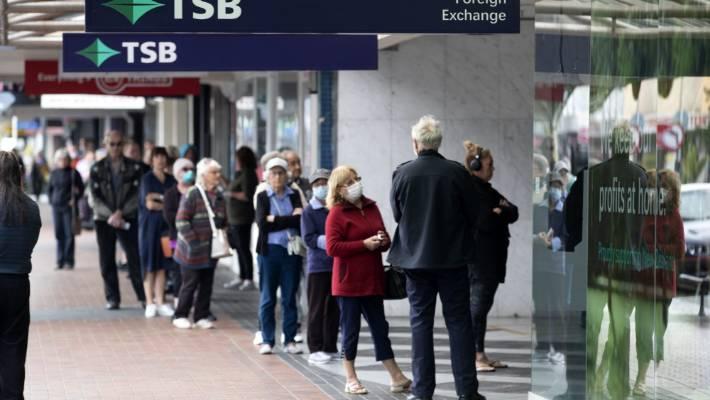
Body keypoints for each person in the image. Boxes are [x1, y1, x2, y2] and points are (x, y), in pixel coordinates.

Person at [389, 115, 485, 400]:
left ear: (415, 143)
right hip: (453, 261)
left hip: (415, 263)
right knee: (459, 324)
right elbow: (474, 214)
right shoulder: (457, 173)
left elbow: (397, 214)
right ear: (438, 142)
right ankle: (467, 391)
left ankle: (422, 392)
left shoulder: (402, 173)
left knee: (420, 324)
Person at [325, 165, 411, 394]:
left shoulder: (371, 206)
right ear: (339, 189)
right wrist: (363, 244)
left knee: (380, 328)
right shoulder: (336, 213)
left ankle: (396, 376)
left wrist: (382, 240)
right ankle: (350, 378)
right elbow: (332, 248)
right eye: (350, 182)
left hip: (372, 280)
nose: (356, 184)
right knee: (350, 330)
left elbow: (385, 237)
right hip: (348, 284)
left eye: (357, 179)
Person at [463, 141, 518, 372]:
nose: (492, 168)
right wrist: (498, 212)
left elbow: (514, 211)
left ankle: (480, 353)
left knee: (482, 308)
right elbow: (484, 221)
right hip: (479, 260)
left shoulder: (488, 190)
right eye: (489, 164)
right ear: (476, 167)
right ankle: (473, 356)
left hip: (492, 259)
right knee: (477, 308)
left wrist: (500, 211)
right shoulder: (472, 191)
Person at [632, 169, 684, 396]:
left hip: (663, 283)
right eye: (655, 188)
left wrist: (656, 249)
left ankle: (648, 368)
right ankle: (641, 379)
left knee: (657, 330)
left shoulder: (674, 216)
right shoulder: (644, 213)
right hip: (643, 280)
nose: (658, 192)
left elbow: (680, 250)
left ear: (672, 192)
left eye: (663, 188)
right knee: (643, 330)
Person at [89, 130, 147, 310]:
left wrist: (120, 213)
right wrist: (111, 215)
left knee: (134, 257)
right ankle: (112, 298)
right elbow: (94, 197)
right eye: (111, 144)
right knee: (106, 259)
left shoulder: (135, 168)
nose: (115, 147)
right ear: (105, 145)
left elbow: (138, 195)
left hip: (128, 217)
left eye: (119, 144)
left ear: (124, 145)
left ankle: (144, 296)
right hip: (103, 219)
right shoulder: (96, 168)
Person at [0, 151, 41, 400]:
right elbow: (31, 242)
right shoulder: (31, 208)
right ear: (19, 174)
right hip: (17, 283)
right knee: (14, 347)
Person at [254, 157, 304, 355]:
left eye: (281, 173)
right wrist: (288, 219)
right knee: (268, 297)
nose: (277, 177)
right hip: (269, 251)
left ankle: (289, 339)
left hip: (291, 251)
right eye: (273, 173)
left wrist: (275, 219)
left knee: (289, 296)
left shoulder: (294, 195)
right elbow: (262, 223)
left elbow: (299, 221)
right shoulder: (263, 196)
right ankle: (267, 340)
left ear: (286, 175)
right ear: (267, 175)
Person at [172, 158, 226, 330]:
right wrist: (193, 242)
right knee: (190, 284)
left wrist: (224, 228)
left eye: (219, 172)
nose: (218, 175)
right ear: (203, 175)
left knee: (206, 284)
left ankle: (200, 316)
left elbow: (224, 220)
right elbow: (181, 221)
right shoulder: (192, 194)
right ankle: (180, 315)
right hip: (191, 250)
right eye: (214, 172)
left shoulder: (219, 196)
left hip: (211, 250)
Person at [301, 168, 339, 365]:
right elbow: (309, 239)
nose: (321, 187)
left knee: (334, 308)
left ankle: (330, 346)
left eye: (325, 183)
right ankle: (315, 348)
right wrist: (332, 242)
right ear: (312, 187)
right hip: (318, 266)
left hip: (336, 265)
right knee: (316, 308)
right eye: (317, 184)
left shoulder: (336, 208)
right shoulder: (309, 211)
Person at [138, 147, 177, 319]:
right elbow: (149, 204)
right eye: (157, 157)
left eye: (163, 157)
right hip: (149, 228)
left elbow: (174, 203)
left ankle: (161, 301)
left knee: (164, 263)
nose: (161, 160)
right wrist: (165, 203)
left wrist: (159, 199)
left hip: (167, 229)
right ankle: (149, 302)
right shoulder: (147, 179)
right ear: (152, 159)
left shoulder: (171, 180)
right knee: (149, 264)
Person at [224, 146, 259, 291]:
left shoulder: (248, 174)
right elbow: (232, 187)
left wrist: (231, 194)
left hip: (242, 218)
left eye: (238, 158)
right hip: (234, 218)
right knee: (238, 247)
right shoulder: (240, 174)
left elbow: (247, 195)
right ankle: (242, 276)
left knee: (244, 247)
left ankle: (248, 277)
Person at [163, 158, 195, 308]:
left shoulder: (196, 192)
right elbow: (169, 217)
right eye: (185, 169)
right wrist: (185, 220)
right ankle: (178, 299)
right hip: (175, 238)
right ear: (177, 173)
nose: (189, 172)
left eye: (191, 169)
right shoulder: (170, 194)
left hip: (195, 239)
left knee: (193, 272)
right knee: (177, 270)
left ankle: (191, 300)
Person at [47, 149, 84, 270]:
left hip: (69, 207)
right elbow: (49, 189)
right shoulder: (54, 173)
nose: (62, 161)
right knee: (59, 234)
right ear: (56, 161)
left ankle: (69, 261)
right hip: (56, 207)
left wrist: (75, 199)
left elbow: (81, 189)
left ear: (68, 160)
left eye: (64, 159)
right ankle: (60, 261)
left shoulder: (73, 172)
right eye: (60, 159)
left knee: (69, 234)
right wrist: (52, 201)